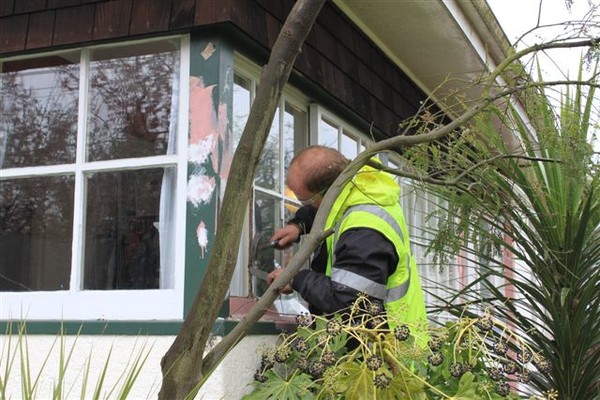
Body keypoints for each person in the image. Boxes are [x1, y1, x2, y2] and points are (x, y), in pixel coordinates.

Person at [266, 145, 428, 343]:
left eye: (305, 200)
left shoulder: (365, 230)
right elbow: (327, 210)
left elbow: (347, 298)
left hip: (388, 352)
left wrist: (294, 278)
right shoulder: (360, 186)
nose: (304, 205)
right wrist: (299, 225)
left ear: (325, 193)